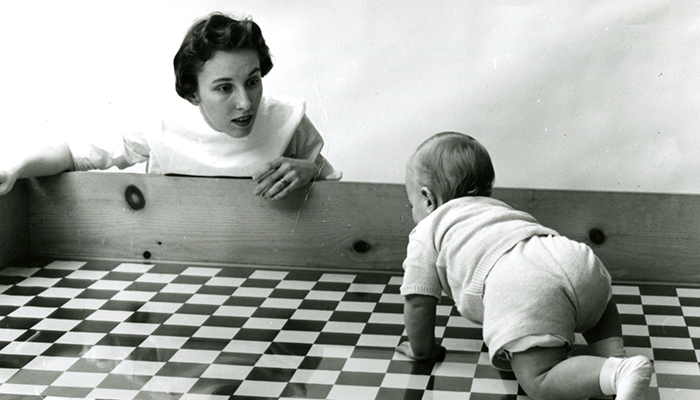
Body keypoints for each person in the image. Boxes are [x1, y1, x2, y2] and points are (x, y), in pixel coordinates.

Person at [396, 132, 653, 400]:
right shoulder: (497, 209)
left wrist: (423, 350)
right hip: (573, 257)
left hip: (523, 284)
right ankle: (611, 354)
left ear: (427, 200)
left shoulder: (428, 229)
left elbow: (418, 299)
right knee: (597, 302)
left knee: (539, 377)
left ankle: (617, 373)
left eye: (411, 203)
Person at [0, 12, 340, 199]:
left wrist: (313, 175)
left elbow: (344, 207)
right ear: (193, 94)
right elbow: (73, 154)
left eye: (253, 81)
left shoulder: (289, 120)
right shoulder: (159, 123)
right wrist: (13, 168)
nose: (245, 101)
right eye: (224, 88)